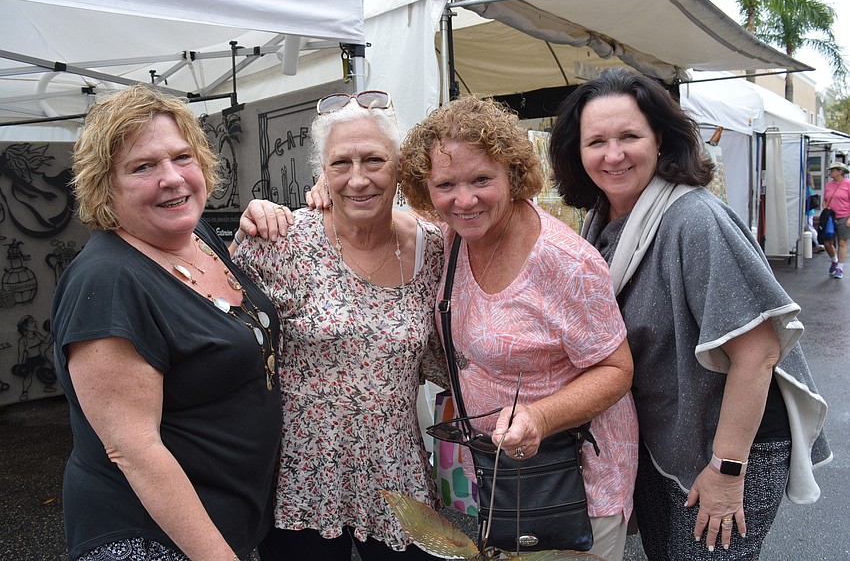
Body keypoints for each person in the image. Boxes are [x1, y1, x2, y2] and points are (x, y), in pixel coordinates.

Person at [549, 68, 831, 560]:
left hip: (732, 446)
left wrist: (727, 471)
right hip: (668, 438)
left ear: (661, 140)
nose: (612, 154)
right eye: (596, 141)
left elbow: (760, 351)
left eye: (629, 136)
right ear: (576, 152)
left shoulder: (693, 219)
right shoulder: (602, 222)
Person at [398, 95, 637, 561]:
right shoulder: (453, 238)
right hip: (501, 471)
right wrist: (324, 189)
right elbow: (375, 220)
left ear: (513, 174)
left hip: (572, 480)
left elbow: (616, 369)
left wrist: (539, 417)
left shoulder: (565, 263)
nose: (464, 200)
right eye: (446, 184)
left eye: (482, 179)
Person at [51, 85, 282, 561]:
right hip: (152, 539)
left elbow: (219, 320)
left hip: (224, 518)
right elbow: (135, 450)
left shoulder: (193, 234)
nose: (172, 178)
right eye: (143, 166)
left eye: (182, 157)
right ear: (105, 185)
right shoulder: (108, 282)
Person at [232, 91, 448, 560]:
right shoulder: (280, 241)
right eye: (340, 164)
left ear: (399, 166)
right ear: (322, 173)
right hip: (301, 477)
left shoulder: (434, 250)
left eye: (374, 160)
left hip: (397, 470)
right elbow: (222, 339)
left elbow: (451, 349)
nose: (358, 179)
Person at [823, 161, 850, 278]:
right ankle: (834, 259)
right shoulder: (828, 185)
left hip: (844, 216)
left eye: (833, 170)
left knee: (842, 242)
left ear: (840, 172)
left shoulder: (848, 184)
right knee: (827, 242)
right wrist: (825, 207)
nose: (831, 172)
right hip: (830, 217)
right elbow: (825, 200)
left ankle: (840, 268)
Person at [804, 174, 824, 253]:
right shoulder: (810, 188)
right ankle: (817, 243)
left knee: (809, 227)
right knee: (809, 227)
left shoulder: (806, 189)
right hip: (810, 211)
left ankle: (818, 243)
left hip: (807, 211)